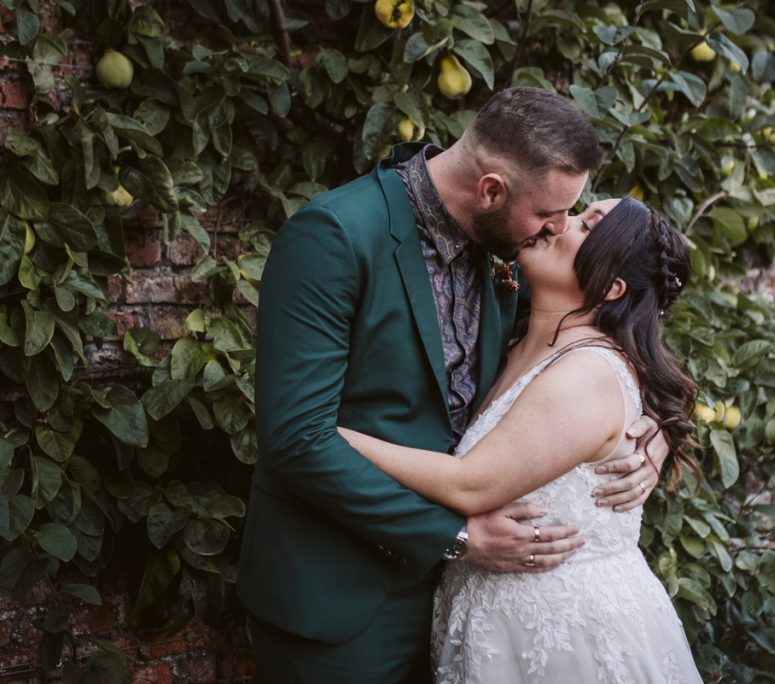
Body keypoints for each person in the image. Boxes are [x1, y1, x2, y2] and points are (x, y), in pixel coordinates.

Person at [237, 87, 669, 683]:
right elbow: (293, 441)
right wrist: (458, 536)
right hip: (337, 597)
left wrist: (654, 429)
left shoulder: (506, 250)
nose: (558, 229)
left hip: (460, 611)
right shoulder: (334, 237)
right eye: (549, 215)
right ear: (491, 189)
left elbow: (592, 346)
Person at [339, 196, 704, 682]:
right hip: (497, 626)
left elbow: (469, 484)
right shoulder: (511, 340)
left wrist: (329, 434)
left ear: (612, 287)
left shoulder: (587, 373)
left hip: (567, 636)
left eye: (587, 224)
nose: (561, 222)